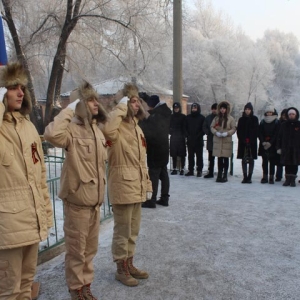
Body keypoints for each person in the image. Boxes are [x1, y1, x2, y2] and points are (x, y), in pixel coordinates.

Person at [44, 81, 108, 300]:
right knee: (75, 250)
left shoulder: (96, 131)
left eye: (95, 99)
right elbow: (51, 134)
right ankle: (76, 288)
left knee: (90, 250)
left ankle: (86, 284)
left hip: (95, 202)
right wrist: (69, 108)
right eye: (89, 100)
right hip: (77, 202)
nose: (95, 103)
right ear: (80, 103)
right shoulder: (70, 128)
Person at [0, 62, 53, 299]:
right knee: (8, 291)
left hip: (32, 221)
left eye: (22, 87)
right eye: (13, 88)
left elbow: (40, 175)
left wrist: (46, 214)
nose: (21, 93)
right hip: (7, 227)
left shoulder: (29, 127)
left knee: (25, 286)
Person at [102, 83, 152, 287]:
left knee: (133, 230)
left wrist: (147, 184)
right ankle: (120, 269)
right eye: (130, 100)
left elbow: (143, 161)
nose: (135, 104)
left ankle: (129, 263)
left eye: (136, 100)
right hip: (122, 185)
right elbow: (107, 129)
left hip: (137, 185)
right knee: (122, 231)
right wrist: (121, 107)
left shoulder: (138, 129)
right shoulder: (117, 126)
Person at [140, 95, 171, 207]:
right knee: (163, 174)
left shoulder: (156, 116)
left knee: (153, 175)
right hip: (164, 148)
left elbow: (148, 131)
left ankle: (151, 200)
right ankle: (164, 198)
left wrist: (141, 120)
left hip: (155, 150)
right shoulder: (165, 112)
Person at [211, 101, 236, 183]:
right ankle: (219, 174)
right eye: (221, 108)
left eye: (224, 108)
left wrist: (227, 133)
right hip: (218, 139)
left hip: (226, 140)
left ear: (227, 109)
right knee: (219, 158)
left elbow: (233, 128)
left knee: (225, 158)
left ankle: (225, 175)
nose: (222, 110)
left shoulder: (231, 119)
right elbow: (212, 127)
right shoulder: (216, 118)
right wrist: (216, 132)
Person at [277, 107, 300, 187]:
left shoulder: (299, 125)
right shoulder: (284, 125)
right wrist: (279, 147)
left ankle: (293, 179)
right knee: (287, 164)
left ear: (296, 115)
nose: (291, 115)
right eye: (290, 114)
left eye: (293, 114)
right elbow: (279, 137)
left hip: (296, 149)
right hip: (286, 148)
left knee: (295, 164)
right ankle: (287, 179)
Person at [236, 102, 259, 183]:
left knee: (251, 159)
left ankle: (250, 176)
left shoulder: (255, 119)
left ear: (251, 110)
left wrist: (251, 140)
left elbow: (256, 131)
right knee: (244, 159)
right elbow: (239, 131)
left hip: (252, 143)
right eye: (246, 109)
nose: (247, 111)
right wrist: (243, 140)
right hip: (243, 142)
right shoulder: (241, 119)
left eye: (249, 109)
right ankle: (245, 176)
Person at [258, 105, 280, 184]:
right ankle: (265, 176)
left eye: (270, 112)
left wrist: (270, 142)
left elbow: (277, 133)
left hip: (273, 144)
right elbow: (260, 132)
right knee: (264, 161)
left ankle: (271, 177)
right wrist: (263, 141)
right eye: (268, 112)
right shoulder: (263, 121)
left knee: (272, 161)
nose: (269, 113)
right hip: (264, 144)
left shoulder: (277, 122)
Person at [185, 103, 205, 177]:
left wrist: (198, 135)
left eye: (195, 108)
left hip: (198, 140)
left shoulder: (202, 118)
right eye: (193, 108)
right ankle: (191, 170)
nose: (194, 109)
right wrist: (187, 135)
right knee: (190, 156)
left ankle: (199, 170)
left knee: (199, 156)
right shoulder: (188, 117)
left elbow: (203, 129)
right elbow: (185, 127)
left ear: (198, 108)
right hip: (190, 140)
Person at [169, 102, 186, 175]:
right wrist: (171, 132)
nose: (176, 109)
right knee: (174, 154)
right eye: (175, 108)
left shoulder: (183, 117)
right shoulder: (171, 117)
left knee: (182, 154)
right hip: (173, 137)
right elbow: (168, 126)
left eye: (177, 108)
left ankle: (182, 168)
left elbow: (185, 127)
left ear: (179, 108)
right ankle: (174, 168)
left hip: (181, 137)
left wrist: (184, 135)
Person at [203, 103, 217, 178]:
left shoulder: (220, 118)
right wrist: (208, 132)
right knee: (211, 158)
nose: (214, 110)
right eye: (213, 109)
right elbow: (204, 126)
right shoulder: (208, 118)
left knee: (220, 157)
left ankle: (221, 172)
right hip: (210, 140)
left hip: (219, 139)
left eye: (216, 109)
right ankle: (210, 171)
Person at [275, 108, 287, 182]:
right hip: (280, 143)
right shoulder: (278, 123)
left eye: (286, 115)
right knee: (279, 162)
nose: (284, 117)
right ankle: (278, 176)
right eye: (283, 115)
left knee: (288, 162)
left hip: (288, 145)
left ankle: (288, 176)